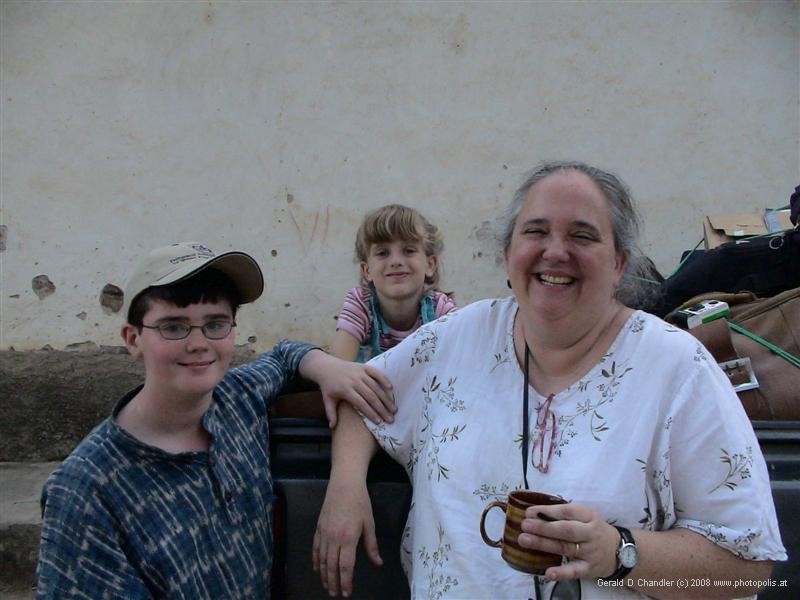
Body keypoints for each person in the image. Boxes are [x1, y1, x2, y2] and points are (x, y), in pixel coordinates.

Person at [313, 163, 786, 599]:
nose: (555, 251)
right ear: (508, 253)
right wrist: (346, 484)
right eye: (535, 231)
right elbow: (363, 393)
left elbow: (747, 568)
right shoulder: (456, 340)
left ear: (619, 262)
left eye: (582, 235)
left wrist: (620, 553)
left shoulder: (679, 371)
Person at [36, 241, 394, 599]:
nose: (199, 343)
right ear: (133, 339)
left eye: (216, 324)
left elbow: (285, 355)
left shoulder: (236, 397)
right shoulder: (86, 490)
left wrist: (329, 367)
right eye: (173, 327)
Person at [331, 204, 457, 362]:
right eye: (382, 253)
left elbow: (464, 359)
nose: (396, 261)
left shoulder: (440, 309)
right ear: (367, 270)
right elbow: (339, 366)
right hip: (370, 386)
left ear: (430, 265)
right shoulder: (361, 304)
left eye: (409, 251)